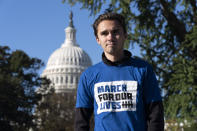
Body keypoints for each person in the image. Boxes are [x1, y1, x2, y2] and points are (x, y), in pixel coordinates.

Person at [75, 12, 164, 131]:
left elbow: (155, 116)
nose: (110, 37)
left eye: (115, 32)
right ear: (98, 39)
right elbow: (81, 122)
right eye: (104, 33)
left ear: (125, 35)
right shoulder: (88, 76)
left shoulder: (143, 70)